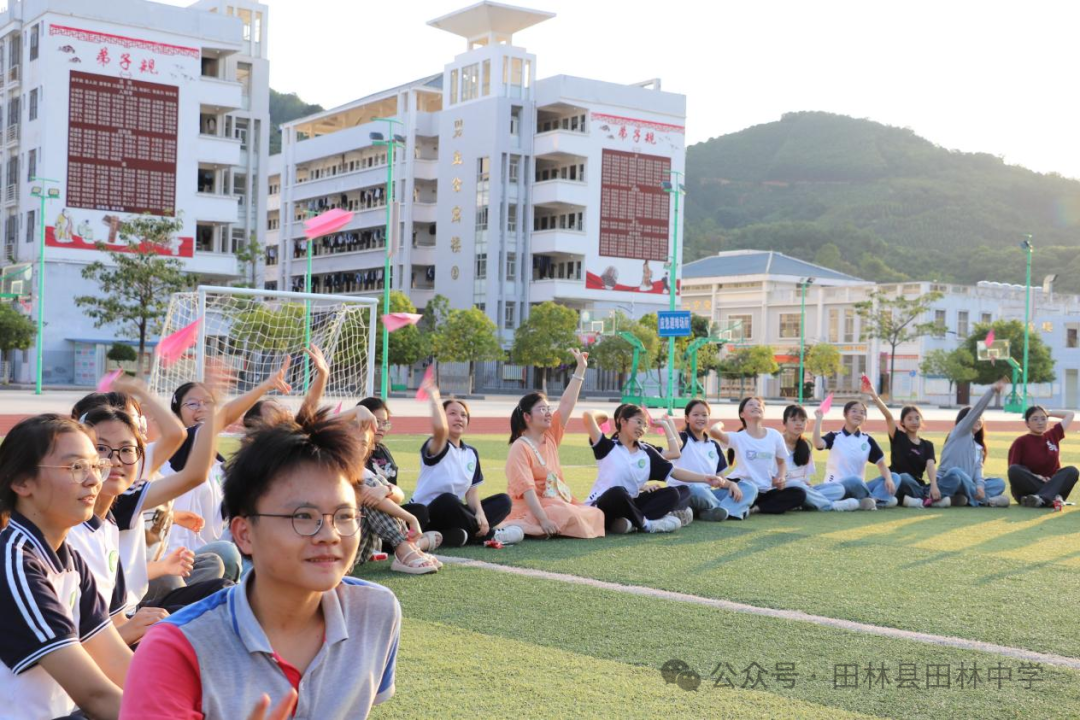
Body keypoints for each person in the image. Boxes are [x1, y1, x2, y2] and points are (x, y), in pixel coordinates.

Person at [119, 409, 400, 719]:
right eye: (303, 516)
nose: (330, 535)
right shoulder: (176, 649)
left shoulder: (376, 612)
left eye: (345, 516)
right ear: (244, 533)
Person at [0, 415, 132, 719]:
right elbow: (95, 695)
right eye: (75, 468)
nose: (93, 480)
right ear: (22, 482)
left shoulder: (68, 559)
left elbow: (116, 662)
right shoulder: (14, 564)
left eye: (95, 466)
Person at [503, 350, 606, 539]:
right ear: (527, 417)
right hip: (533, 505)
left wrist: (580, 369)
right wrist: (543, 519)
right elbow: (527, 490)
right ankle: (528, 526)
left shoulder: (550, 435)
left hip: (555, 501)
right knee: (567, 513)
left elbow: (567, 403)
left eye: (548, 408)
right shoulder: (521, 447)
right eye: (542, 409)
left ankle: (538, 529)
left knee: (595, 513)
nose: (548, 413)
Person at [410, 378, 522, 547]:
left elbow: (472, 492)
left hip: (456, 513)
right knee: (448, 500)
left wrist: (480, 514)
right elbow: (440, 430)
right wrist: (435, 399)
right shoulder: (437, 445)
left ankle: (459, 535)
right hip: (428, 513)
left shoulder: (471, 453)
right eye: (452, 413)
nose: (459, 418)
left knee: (504, 501)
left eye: (463, 415)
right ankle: (490, 535)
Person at [582, 404, 726, 534]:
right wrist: (605, 417)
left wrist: (705, 478)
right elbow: (588, 416)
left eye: (645, 425)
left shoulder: (647, 452)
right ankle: (646, 524)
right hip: (604, 506)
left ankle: (630, 523)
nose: (642, 428)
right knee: (618, 492)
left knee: (672, 493)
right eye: (638, 422)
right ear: (623, 421)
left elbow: (674, 471)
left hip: (631, 505)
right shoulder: (607, 446)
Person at [862, 382, 951, 508]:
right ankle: (927, 499)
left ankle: (921, 498)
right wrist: (874, 396)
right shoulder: (898, 437)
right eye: (909, 419)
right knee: (903, 477)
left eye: (917, 418)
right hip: (898, 483)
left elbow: (930, 466)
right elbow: (888, 417)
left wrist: (934, 486)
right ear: (902, 422)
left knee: (954, 477)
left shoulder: (927, 445)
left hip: (916, 485)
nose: (914, 422)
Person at [712, 397, 805, 514]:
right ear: (742, 414)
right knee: (749, 489)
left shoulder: (774, 435)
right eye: (751, 405)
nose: (756, 407)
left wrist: (781, 478)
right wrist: (720, 424)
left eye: (759, 405)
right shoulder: (738, 437)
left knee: (799, 493)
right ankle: (733, 506)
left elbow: (781, 463)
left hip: (764, 490)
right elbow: (714, 431)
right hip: (743, 486)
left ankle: (756, 508)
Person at [669, 399, 756, 521]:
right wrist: (667, 422)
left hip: (709, 494)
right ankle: (733, 510)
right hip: (686, 492)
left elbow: (721, 479)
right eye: (696, 415)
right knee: (696, 489)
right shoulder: (683, 438)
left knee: (750, 487)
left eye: (704, 415)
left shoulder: (713, 445)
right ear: (687, 418)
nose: (701, 418)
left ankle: (714, 511)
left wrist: (732, 484)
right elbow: (675, 443)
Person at [938, 378, 1011, 508]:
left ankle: (966, 498)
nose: (978, 419)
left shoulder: (978, 446)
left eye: (980, 418)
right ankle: (985, 500)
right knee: (956, 472)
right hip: (950, 481)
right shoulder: (959, 432)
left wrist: (980, 486)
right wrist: (992, 391)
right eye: (974, 417)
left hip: (968, 484)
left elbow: (978, 470)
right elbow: (977, 409)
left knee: (999, 483)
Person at [812, 398, 895, 510]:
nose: (858, 415)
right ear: (845, 414)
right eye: (854, 411)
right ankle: (878, 500)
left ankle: (871, 501)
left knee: (894, 476)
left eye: (862, 412)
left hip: (859, 488)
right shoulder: (835, 436)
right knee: (854, 479)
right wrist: (818, 420)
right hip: (837, 486)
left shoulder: (867, 440)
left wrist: (889, 479)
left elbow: (882, 465)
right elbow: (818, 444)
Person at [779, 404, 861, 512]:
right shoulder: (776, 442)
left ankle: (807, 502)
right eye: (794, 420)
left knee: (838, 489)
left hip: (804, 490)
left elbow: (806, 479)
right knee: (796, 484)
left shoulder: (805, 446)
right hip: (783, 489)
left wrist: (806, 485)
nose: (799, 423)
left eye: (802, 420)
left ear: (806, 423)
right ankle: (830, 506)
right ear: (784, 423)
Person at [1007, 406, 1077, 509]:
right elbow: (1014, 471)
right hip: (1030, 487)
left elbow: (1070, 414)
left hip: (1052, 483)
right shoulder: (1021, 442)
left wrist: (1048, 412)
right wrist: (1036, 477)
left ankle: (1040, 499)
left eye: (1043, 418)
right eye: (1035, 419)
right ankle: (1050, 498)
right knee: (1014, 470)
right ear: (1027, 423)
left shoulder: (1053, 435)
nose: (1040, 422)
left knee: (1072, 470)